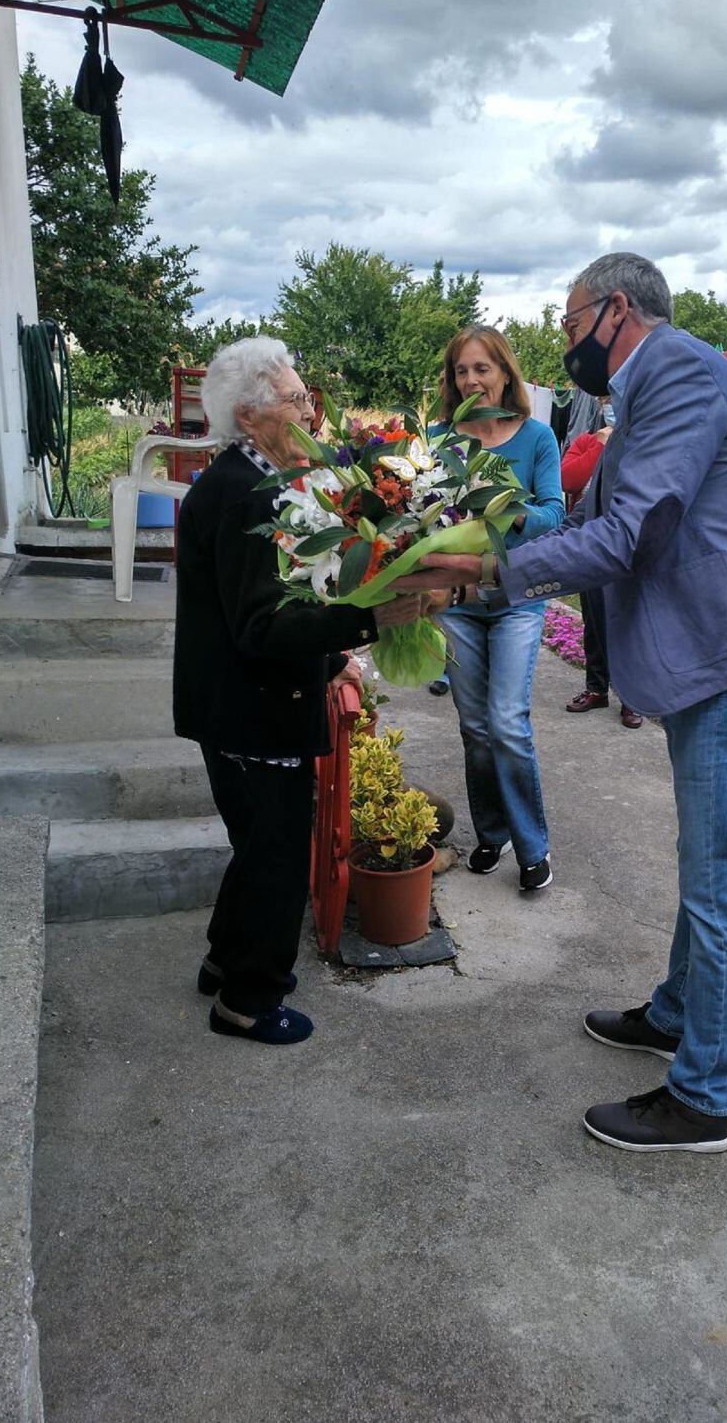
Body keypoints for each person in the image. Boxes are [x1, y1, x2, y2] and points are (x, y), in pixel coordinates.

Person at [394, 254, 727, 1151]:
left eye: (572, 323)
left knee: (715, 880)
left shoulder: (683, 376)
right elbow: (587, 520)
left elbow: (632, 532)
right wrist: (466, 564)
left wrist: (494, 571)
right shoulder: (648, 387)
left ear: (617, 309)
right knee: (701, 860)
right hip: (702, 652)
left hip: (726, 652)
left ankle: (702, 1096)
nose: (565, 341)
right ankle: (672, 1014)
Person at [173, 336, 420, 1045]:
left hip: (236, 701)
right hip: (252, 708)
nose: (311, 410)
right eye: (294, 400)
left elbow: (256, 612)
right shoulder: (247, 495)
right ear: (250, 416)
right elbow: (261, 627)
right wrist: (368, 617)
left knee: (256, 843)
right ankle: (248, 1000)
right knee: (279, 855)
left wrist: (328, 656)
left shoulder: (251, 477)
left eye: (307, 396)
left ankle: (225, 962)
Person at [435, 325, 565, 892]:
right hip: (458, 601)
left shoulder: (537, 438)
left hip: (515, 598)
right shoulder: (440, 439)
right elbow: (426, 515)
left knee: (508, 723)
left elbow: (555, 514)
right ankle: (492, 834)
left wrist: (506, 510)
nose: (472, 380)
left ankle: (533, 847)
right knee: (475, 728)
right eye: (462, 371)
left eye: (482, 369)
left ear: (506, 373)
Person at [560, 405, 643, 729]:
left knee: (626, 621)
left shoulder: (639, 444)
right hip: (589, 541)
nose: (610, 408)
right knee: (593, 618)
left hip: (626, 544)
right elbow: (569, 479)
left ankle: (631, 698)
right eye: (605, 403)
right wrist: (599, 445)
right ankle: (596, 688)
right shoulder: (583, 441)